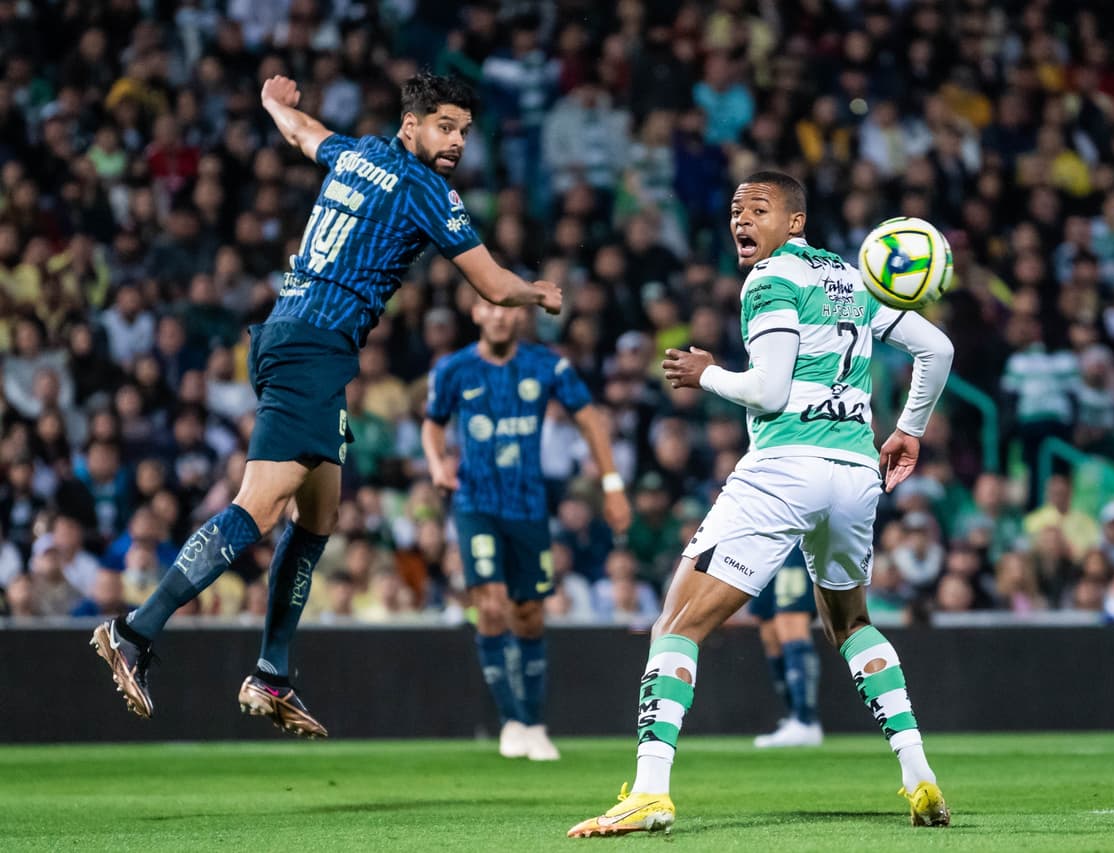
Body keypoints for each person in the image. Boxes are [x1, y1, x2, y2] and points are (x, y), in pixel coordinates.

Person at [91, 72, 562, 737]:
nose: (456, 142)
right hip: (313, 347)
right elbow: (488, 281)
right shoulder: (426, 187)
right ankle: (133, 631)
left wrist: (271, 103)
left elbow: (305, 133)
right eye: (445, 127)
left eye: (464, 132)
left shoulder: (361, 152)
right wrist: (537, 292)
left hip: (298, 339)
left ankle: (273, 672)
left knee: (318, 514)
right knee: (257, 509)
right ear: (413, 124)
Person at [568, 172, 953, 837]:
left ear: (794, 222)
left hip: (785, 468)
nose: (741, 220)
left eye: (760, 209)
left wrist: (704, 374)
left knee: (677, 624)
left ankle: (651, 791)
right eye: (736, 209)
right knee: (849, 622)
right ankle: (918, 771)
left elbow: (771, 393)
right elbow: (936, 347)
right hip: (856, 471)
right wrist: (910, 427)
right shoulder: (850, 279)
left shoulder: (770, 279)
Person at [423, 301, 630, 761]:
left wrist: (612, 484)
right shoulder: (454, 369)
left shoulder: (546, 364)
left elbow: (589, 417)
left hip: (528, 507)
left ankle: (533, 723)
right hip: (475, 502)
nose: (499, 316)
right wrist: (438, 464)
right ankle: (513, 721)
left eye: (508, 308)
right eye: (490, 307)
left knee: (530, 615)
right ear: (474, 312)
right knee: (490, 606)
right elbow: (432, 425)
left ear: (518, 316)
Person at [751, 546, 822, 748]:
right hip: (763, 539)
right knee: (769, 629)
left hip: (795, 536)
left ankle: (805, 719)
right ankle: (795, 718)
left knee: (791, 620)